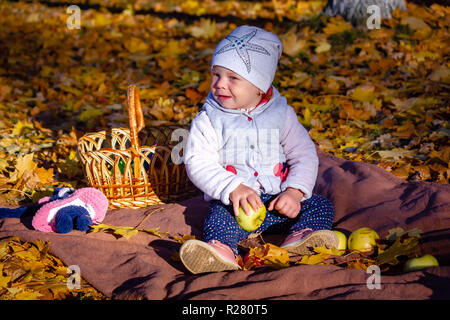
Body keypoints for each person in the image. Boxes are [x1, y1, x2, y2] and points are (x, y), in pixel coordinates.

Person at [180, 25, 338, 274]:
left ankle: (301, 238)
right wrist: (233, 188)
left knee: (320, 205)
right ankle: (221, 251)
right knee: (218, 218)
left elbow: (303, 153)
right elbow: (198, 161)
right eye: (216, 75)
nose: (220, 84)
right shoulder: (209, 119)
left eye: (233, 78)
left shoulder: (281, 114)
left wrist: (295, 192)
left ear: (259, 87)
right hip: (236, 207)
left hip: (279, 203)